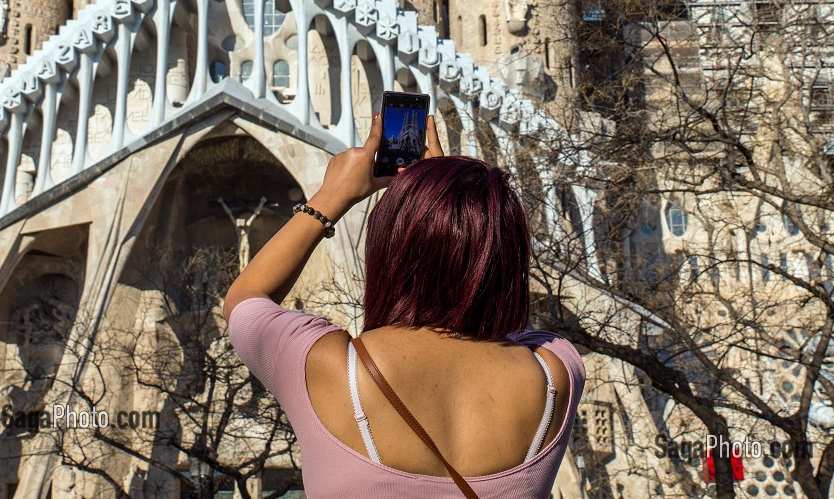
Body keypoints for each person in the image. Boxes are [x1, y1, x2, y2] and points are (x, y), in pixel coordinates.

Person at [224, 113, 585, 497]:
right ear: (508, 255)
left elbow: (246, 299)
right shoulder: (556, 370)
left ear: (389, 250)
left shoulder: (327, 366)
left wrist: (334, 195)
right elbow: (500, 311)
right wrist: (452, 197)